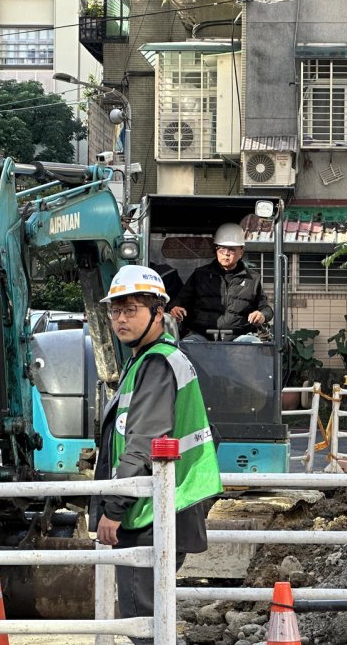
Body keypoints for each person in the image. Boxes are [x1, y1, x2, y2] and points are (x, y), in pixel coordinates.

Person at [91, 265, 223, 644]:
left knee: (144, 624)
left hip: (146, 514)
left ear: (159, 312)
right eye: (115, 310)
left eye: (131, 309)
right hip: (162, 508)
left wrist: (113, 509)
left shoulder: (156, 364)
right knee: (154, 622)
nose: (120, 319)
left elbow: (144, 442)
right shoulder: (153, 359)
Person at [170, 223, 273, 341]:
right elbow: (180, 300)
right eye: (222, 248)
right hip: (202, 335)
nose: (226, 253)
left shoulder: (253, 279)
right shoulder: (200, 275)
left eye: (231, 249)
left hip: (239, 337)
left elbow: (266, 308)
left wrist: (262, 316)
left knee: (253, 343)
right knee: (188, 345)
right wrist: (176, 308)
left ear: (241, 251)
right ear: (216, 249)